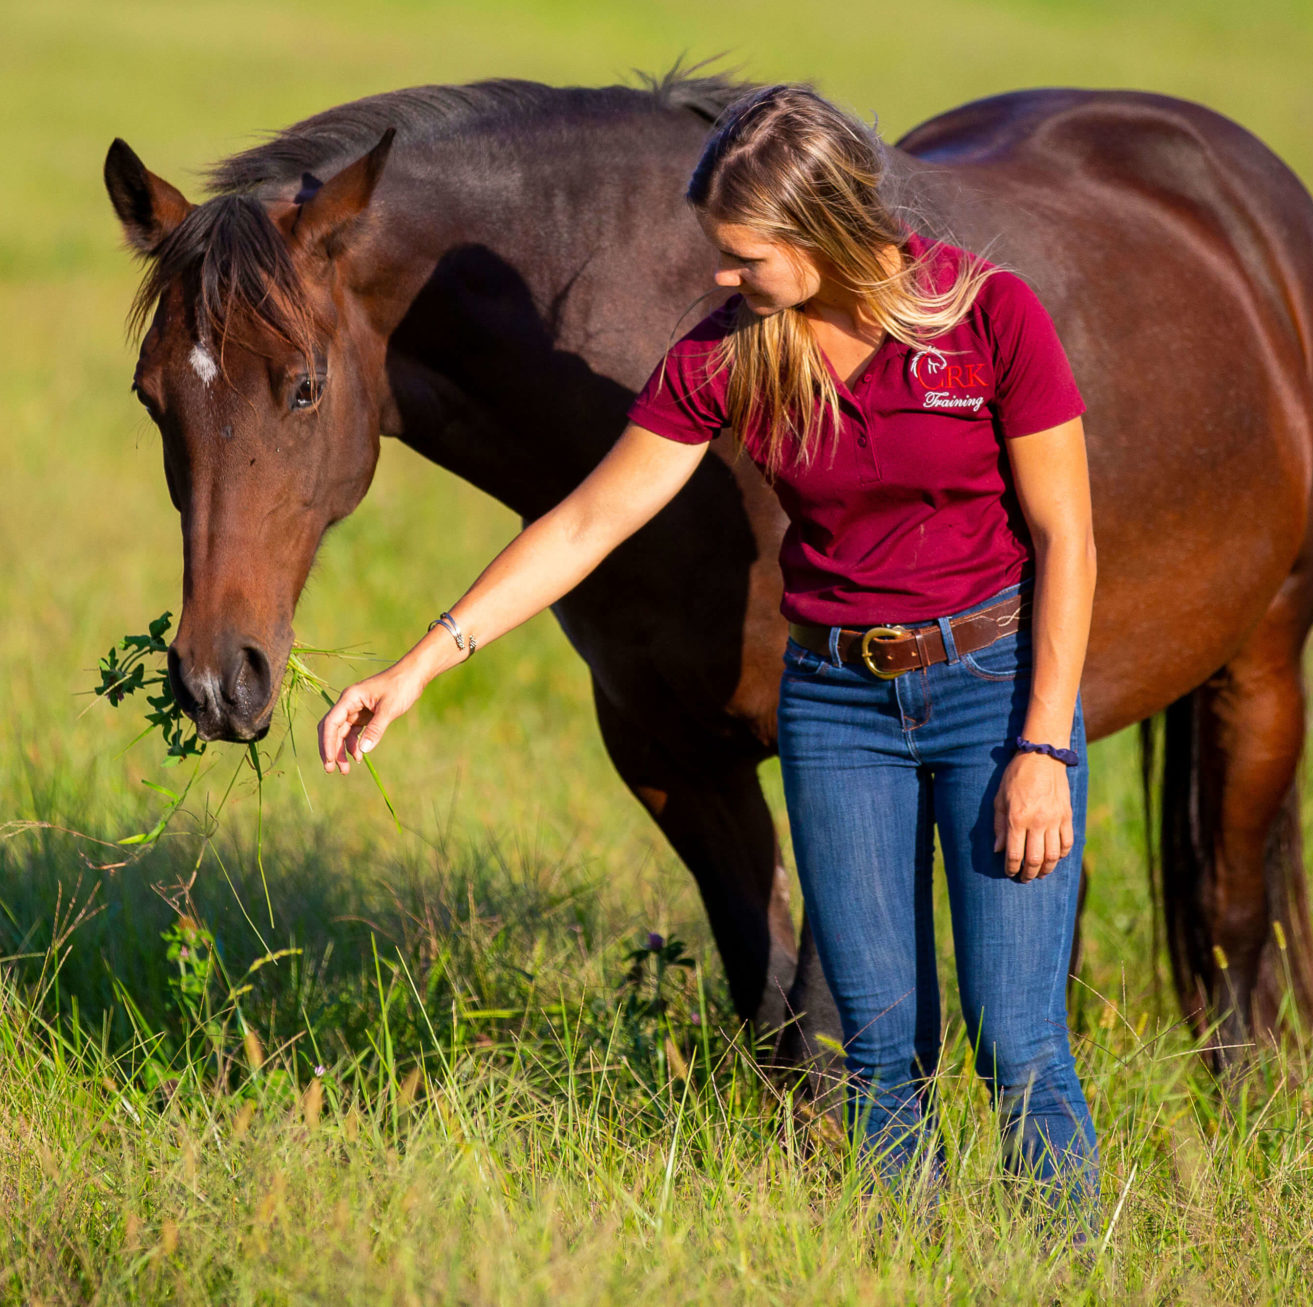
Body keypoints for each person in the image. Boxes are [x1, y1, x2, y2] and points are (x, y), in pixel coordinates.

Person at [317, 83, 1098, 1203]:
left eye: (743, 257)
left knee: (1018, 1047)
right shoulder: (731, 352)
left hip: (992, 686)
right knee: (877, 1054)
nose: (720, 279)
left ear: (823, 229)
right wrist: (418, 664)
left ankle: (1063, 1269)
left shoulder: (988, 315)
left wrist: (1042, 751)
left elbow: (1068, 540)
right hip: (837, 708)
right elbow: (588, 521)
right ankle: (914, 1271)